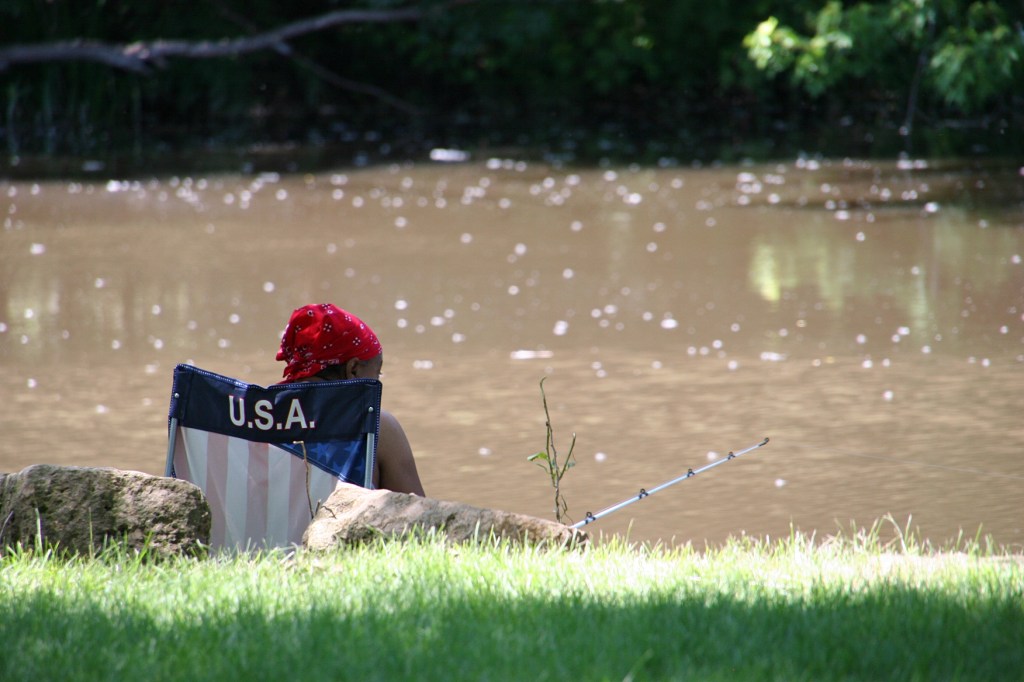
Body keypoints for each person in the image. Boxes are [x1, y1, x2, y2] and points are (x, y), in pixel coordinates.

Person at [276, 303, 425, 496]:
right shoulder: (376, 426)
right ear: (353, 370)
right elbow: (418, 515)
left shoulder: (260, 419)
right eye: (377, 373)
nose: (378, 380)